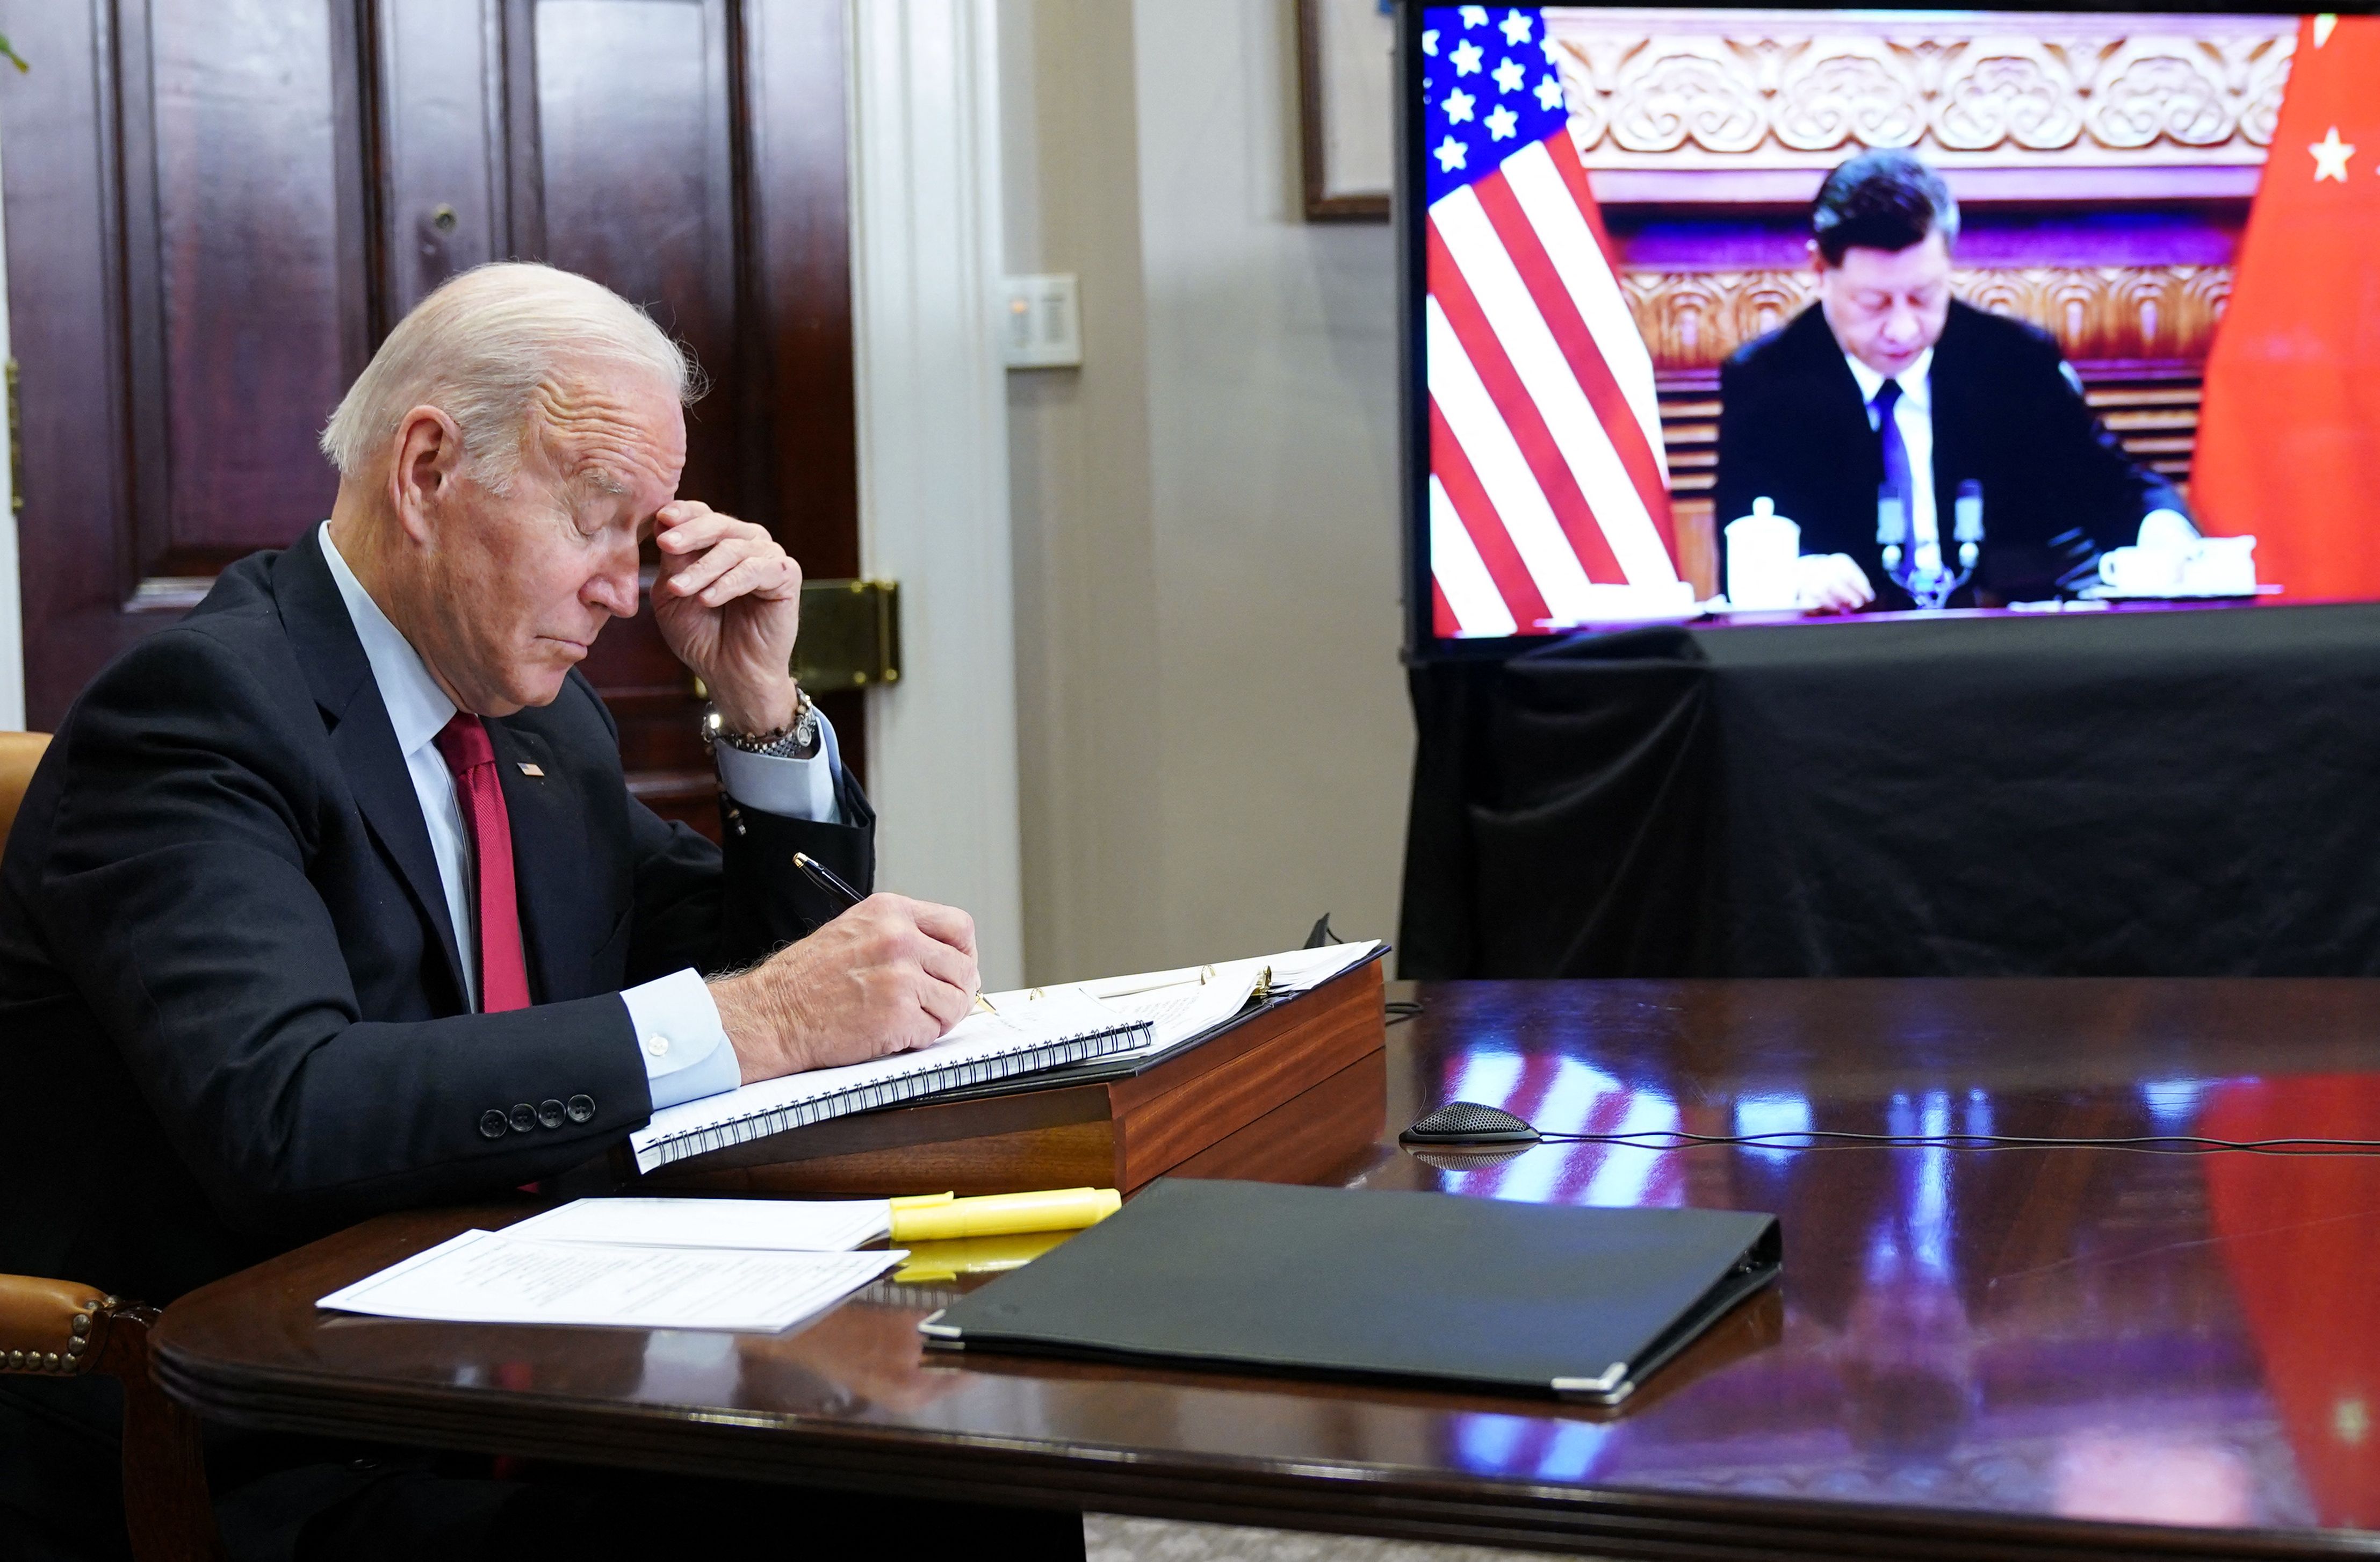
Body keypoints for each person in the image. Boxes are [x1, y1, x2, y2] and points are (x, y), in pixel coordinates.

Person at [0, 264, 1077, 1559]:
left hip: (519, 1357)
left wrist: (758, 710)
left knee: (970, 1471)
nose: (624, 591)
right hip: (269, 1433)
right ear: (426, 470)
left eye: (643, 536)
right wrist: (759, 1019)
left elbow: (767, 979)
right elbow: (282, 1109)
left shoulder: (537, 729)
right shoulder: (196, 714)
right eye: (594, 520)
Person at [1714, 149, 2195, 610]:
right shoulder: (1767, 382)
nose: (1903, 329)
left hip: (2004, 653)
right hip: (1843, 659)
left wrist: (2165, 534)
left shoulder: (2014, 363)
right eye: (1874, 303)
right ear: (1820, 271)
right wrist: (1799, 574)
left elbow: (2119, 491)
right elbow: (1742, 540)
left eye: (1923, 297)